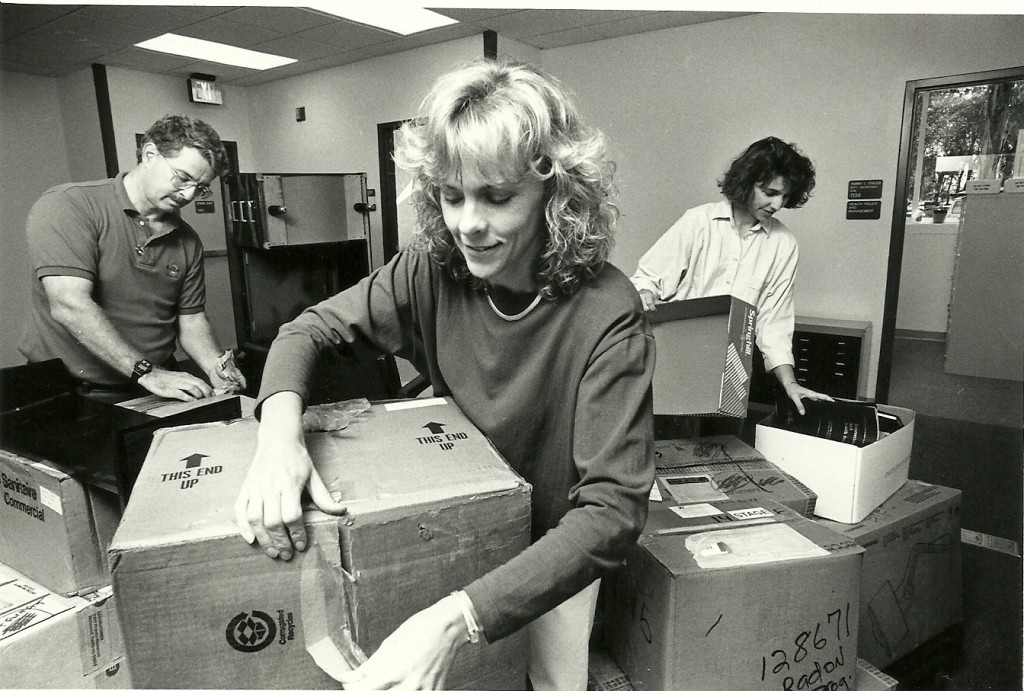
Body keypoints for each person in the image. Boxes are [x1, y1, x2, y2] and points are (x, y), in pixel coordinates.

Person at [234, 59, 655, 691]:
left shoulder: (607, 312)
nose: (467, 224)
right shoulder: (430, 271)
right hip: (457, 530)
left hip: (551, 554)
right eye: (451, 196)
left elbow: (611, 513)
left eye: (498, 197)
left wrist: (457, 618)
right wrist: (277, 439)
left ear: (556, 194)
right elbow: (307, 331)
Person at [19, 114, 245, 403]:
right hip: (72, 392)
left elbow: (191, 321)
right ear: (150, 153)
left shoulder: (188, 240)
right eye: (183, 178)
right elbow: (69, 305)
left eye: (200, 188)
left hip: (153, 386)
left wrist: (217, 367)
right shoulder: (70, 205)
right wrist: (146, 372)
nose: (189, 194)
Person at [631, 136, 831, 415]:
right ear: (748, 181)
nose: (777, 204)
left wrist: (790, 383)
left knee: (719, 448)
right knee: (666, 441)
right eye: (770, 192)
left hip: (734, 368)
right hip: (676, 355)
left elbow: (774, 324)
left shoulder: (784, 244)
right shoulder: (698, 222)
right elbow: (647, 278)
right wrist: (645, 292)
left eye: (785, 196)